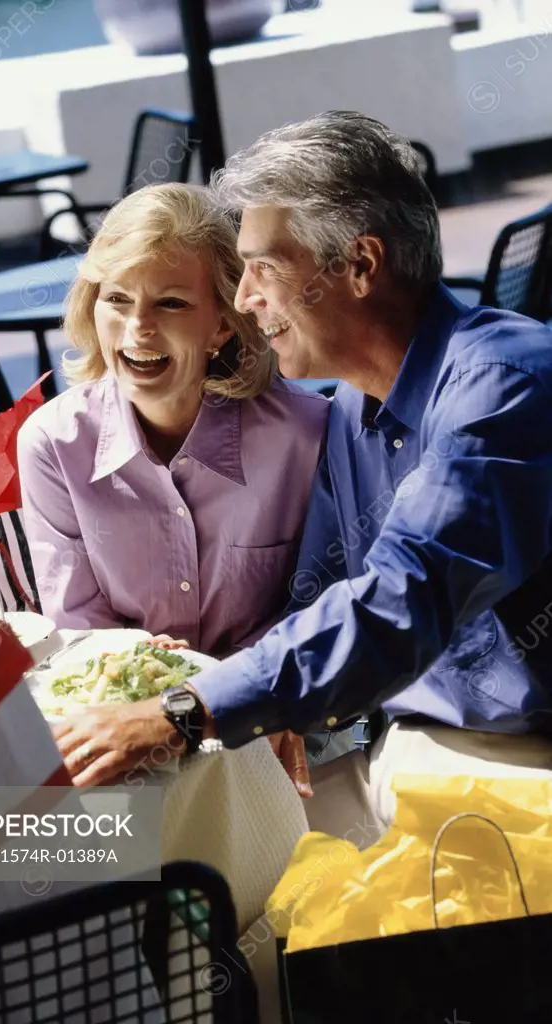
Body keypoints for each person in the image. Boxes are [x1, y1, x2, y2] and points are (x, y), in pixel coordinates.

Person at [53, 111, 552, 837]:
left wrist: (188, 712)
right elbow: (315, 601)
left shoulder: (501, 388)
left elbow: (395, 606)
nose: (246, 299)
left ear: (357, 265)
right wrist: (256, 695)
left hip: (517, 762)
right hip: (418, 748)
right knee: (162, 852)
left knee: (223, 878)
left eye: (262, 266)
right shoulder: (353, 409)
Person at [17, 182, 327, 676]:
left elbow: (323, 615)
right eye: (117, 298)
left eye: (172, 303)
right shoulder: (54, 445)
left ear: (223, 324)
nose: (138, 326)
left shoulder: (308, 435)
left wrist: (218, 693)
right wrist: (152, 680)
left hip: (275, 711)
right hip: (126, 711)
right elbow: (77, 629)